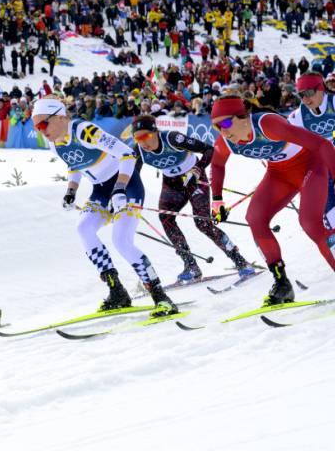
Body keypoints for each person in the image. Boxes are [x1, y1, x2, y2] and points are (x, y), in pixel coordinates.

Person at [32, 96, 177, 316]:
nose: (40, 130)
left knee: (121, 241)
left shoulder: (85, 131)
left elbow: (127, 154)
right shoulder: (53, 142)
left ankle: (161, 298)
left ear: (60, 117)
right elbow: (74, 164)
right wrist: (71, 191)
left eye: (43, 123)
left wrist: (119, 189)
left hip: (127, 185)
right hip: (100, 190)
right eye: (36, 125)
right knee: (84, 229)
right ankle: (117, 291)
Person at [209, 94, 335, 306]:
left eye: (227, 123)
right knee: (255, 217)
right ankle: (282, 284)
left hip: (310, 166)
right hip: (279, 174)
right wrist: (217, 200)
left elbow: (321, 144)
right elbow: (217, 165)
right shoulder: (226, 141)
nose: (223, 131)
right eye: (217, 127)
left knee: (310, 223)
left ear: (243, 116)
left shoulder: (268, 124)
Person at [130, 115, 252, 281]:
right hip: (172, 184)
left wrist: (197, 169)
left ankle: (240, 261)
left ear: (156, 132)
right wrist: (127, 198)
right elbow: (133, 176)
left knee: (203, 223)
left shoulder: (173, 138)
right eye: (138, 138)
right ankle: (191, 265)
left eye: (146, 136)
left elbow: (209, 150)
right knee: (165, 218)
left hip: (194, 178)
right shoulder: (139, 150)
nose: (143, 142)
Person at [287, 71, 335, 253]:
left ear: (321, 89)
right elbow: (291, 147)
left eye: (309, 93)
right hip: (322, 167)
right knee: (329, 210)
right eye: (301, 95)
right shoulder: (297, 117)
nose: (305, 100)